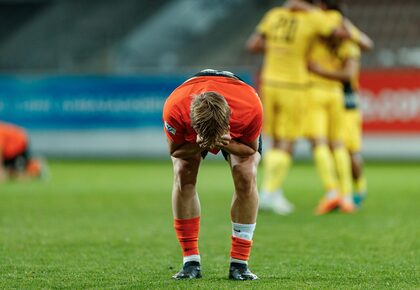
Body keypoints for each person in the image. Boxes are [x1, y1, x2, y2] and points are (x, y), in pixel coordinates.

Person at [246, 0, 365, 215]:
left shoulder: (274, 14)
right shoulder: (314, 19)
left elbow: (253, 45)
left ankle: (272, 190)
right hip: (297, 85)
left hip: (269, 81)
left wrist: (280, 47)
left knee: (274, 140)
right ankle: (270, 192)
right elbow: (342, 34)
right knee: (295, 141)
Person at [162, 69, 263, 280]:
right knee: (183, 173)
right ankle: (190, 262)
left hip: (236, 108)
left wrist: (228, 142)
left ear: (229, 123)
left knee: (246, 174)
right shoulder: (175, 109)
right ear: (193, 124)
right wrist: (201, 143)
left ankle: (239, 264)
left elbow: (250, 150)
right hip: (193, 117)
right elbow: (175, 150)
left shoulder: (250, 107)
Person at [308, 12, 369, 209]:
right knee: (333, 146)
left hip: (347, 102)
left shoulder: (348, 45)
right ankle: (345, 193)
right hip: (336, 99)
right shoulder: (318, 41)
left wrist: (318, 71)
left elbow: (349, 72)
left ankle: (357, 190)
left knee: (347, 149)